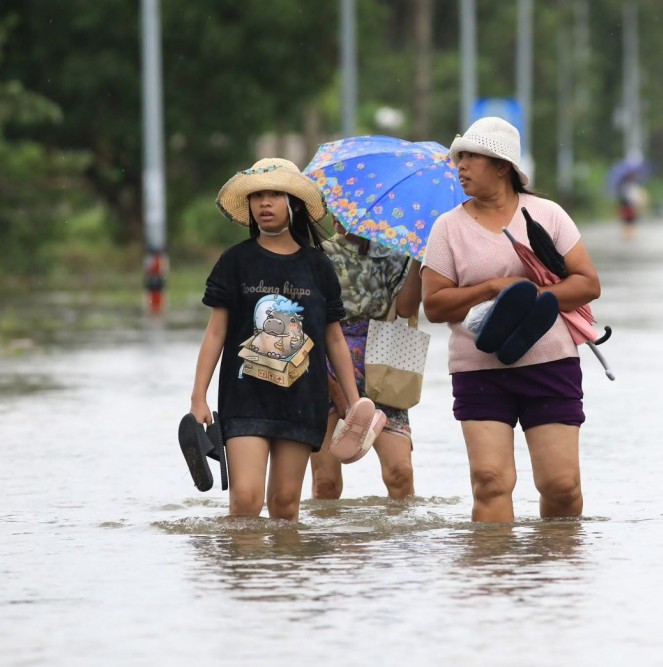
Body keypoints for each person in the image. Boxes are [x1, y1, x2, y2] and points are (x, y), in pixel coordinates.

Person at [420, 116, 602, 523]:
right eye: (459, 158)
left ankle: (551, 575)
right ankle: (493, 576)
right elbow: (434, 307)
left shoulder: (548, 215)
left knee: (562, 485)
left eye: (471, 157)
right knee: (489, 481)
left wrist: (530, 295)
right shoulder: (446, 229)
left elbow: (588, 284)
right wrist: (491, 289)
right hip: (478, 368)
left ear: (502, 166)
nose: (461, 166)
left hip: (551, 363)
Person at [187, 157, 375, 522]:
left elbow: (334, 339)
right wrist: (199, 397)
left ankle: (283, 578)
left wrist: (354, 404)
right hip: (244, 398)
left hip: (302, 400)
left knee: (287, 505)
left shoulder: (318, 266)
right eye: (258, 195)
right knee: (246, 500)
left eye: (275, 194)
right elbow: (216, 332)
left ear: (294, 204)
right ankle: (244, 574)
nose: (264, 203)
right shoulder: (235, 262)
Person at [309, 220, 421, 501]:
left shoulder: (396, 254)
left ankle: (400, 542)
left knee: (400, 472)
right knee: (326, 482)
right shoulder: (318, 255)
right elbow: (305, 323)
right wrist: (333, 388)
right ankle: (325, 543)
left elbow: (407, 308)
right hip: (326, 362)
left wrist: (420, 257)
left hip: (383, 361)